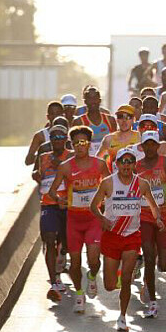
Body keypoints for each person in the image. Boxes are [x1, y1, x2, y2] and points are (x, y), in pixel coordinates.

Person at [89, 147, 164, 332]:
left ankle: (122, 317)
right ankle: (119, 274)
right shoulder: (108, 183)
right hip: (112, 236)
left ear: (134, 164)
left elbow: (153, 205)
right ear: (117, 164)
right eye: (123, 161)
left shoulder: (142, 184)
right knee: (109, 285)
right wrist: (102, 219)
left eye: (130, 161)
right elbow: (93, 206)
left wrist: (158, 219)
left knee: (127, 278)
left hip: (132, 236)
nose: (126, 165)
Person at [47, 126, 110, 314]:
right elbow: (52, 190)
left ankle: (92, 277)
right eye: (75, 143)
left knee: (94, 260)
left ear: (89, 144)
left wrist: (107, 202)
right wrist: (59, 199)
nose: (79, 146)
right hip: (74, 220)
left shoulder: (99, 164)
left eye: (82, 142)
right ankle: (80, 295)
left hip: (93, 219)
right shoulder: (66, 166)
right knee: (74, 263)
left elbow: (110, 186)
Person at [135, 131, 166, 317]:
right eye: (146, 144)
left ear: (158, 145)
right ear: (142, 147)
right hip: (144, 217)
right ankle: (152, 300)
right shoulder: (136, 167)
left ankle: (148, 269)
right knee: (149, 255)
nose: (149, 148)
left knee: (164, 266)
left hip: (163, 218)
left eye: (152, 144)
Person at [33, 124, 70, 301]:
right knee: (49, 239)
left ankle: (63, 254)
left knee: (66, 242)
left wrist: (61, 165)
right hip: (48, 204)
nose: (57, 140)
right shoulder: (43, 156)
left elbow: (77, 175)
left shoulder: (71, 157)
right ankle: (54, 281)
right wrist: (36, 175)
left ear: (66, 139)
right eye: (54, 137)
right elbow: (36, 171)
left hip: (67, 205)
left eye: (60, 137)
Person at [72, 86, 115, 157]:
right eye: (90, 98)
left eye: (95, 98)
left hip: (107, 161)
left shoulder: (110, 120)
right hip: (87, 161)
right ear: (85, 101)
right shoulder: (79, 122)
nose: (93, 101)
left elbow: (115, 143)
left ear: (100, 100)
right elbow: (75, 144)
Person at [97, 105, 141, 170]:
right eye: (120, 117)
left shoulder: (140, 137)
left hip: (135, 175)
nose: (124, 120)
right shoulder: (109, 139)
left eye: (128, 117)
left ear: (133, 119)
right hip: (115, 175)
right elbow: (97, 160)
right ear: (117, 120)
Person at [25, 100, 65, 166]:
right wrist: (45, 156)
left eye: (58, 114)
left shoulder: (70, 133)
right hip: (47, 171)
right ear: (47, 117)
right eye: (52, 114)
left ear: (63, 116)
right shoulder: (40, 136)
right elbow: (28, 161)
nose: (55, 116)